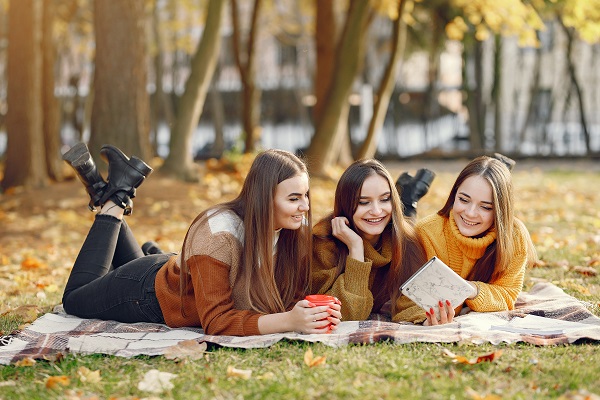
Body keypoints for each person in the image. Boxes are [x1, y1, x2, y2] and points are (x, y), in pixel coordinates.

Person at [61, 143, 341, 336]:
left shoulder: (292, 229)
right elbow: (217, 322)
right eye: (294, 198)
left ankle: (104, 188)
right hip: (147, 295)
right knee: (74, 300)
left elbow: (288, 295)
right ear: (264, 199)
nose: (305, 206)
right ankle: (114, 200)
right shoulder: (219, 233)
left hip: (182, 275)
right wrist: (288, 321)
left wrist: (309, 314)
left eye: (306, 196)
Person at [395, 155, 537, 325]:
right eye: (463, 199)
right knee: (400, 230)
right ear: (454, 195)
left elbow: (507, 296)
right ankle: (407, 201)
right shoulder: (426, 233)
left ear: (500, 210)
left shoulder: (513, 236)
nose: (470, 213)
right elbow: (404, 301)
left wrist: (472, 290)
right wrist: (425, 319)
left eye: (485, 206)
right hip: (419, 232)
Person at [311, 159, 427, 322]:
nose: (376, 210)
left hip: (397, 226)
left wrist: (426, 318)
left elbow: (414, 301)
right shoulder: (323, 242)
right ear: (345, 205)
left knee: (405, 220)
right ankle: (409, 196)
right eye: (363, 202)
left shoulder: (405, 238)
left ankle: (408, 199)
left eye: (385, 199)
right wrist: (356, 249)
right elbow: (345, 314)